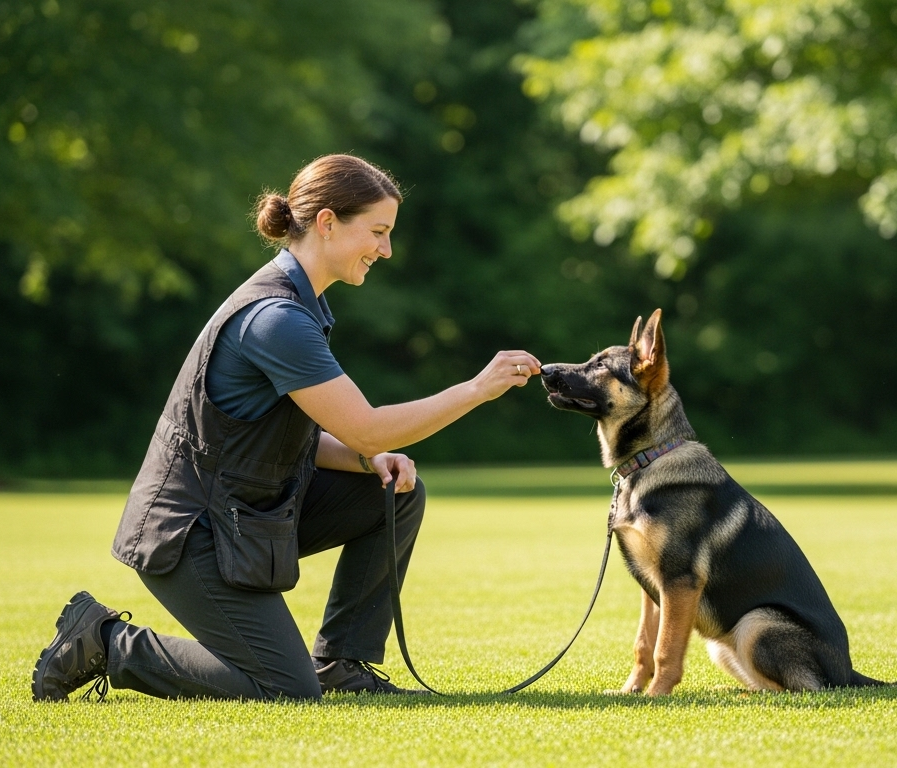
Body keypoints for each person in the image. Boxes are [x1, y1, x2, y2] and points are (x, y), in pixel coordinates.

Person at [31, 154, 542, 701]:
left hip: (243, 514)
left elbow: (292, 438)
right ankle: (106, 641)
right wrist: (476, 388)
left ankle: (342, 664)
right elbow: (368, 428)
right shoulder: (276, 319)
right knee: (286, 690)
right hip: (188, 532)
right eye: (377, 232)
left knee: (394, 493)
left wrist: (366, 459)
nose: (387, 249)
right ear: (327, 223)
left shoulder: (302, 306)